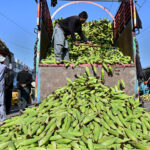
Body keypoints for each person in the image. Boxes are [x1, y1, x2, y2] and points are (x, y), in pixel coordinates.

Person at [0, 55, 7, 122]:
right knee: (1, 103)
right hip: (0, 86)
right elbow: (9, 68)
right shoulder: (3, 66)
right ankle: (2, 119)